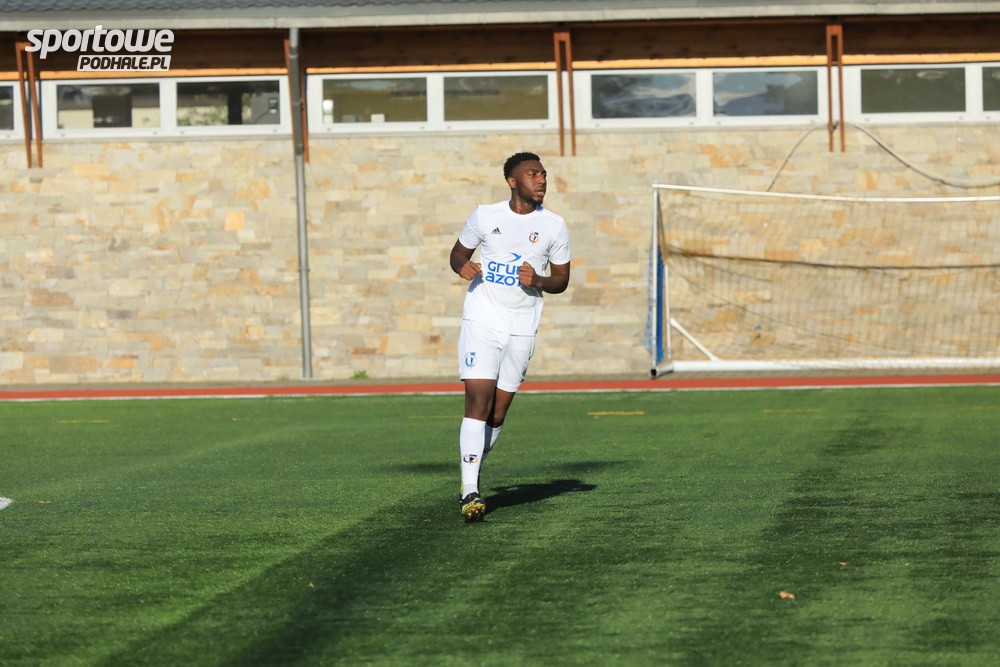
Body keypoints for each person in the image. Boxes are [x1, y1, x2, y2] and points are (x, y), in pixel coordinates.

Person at [449, 151, 571, 522]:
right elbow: (457, 254)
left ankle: (473, 468)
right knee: (478, 400)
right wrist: (462, 266)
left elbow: (562, 280)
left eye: (544, 174)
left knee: (498, 412)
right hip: (482, 319)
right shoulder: (485, 215)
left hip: (521, 325)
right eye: (533, 174)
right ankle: (469, 489)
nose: (542, 179)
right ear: (512, 181)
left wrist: (539, 280)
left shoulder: (554, 225)